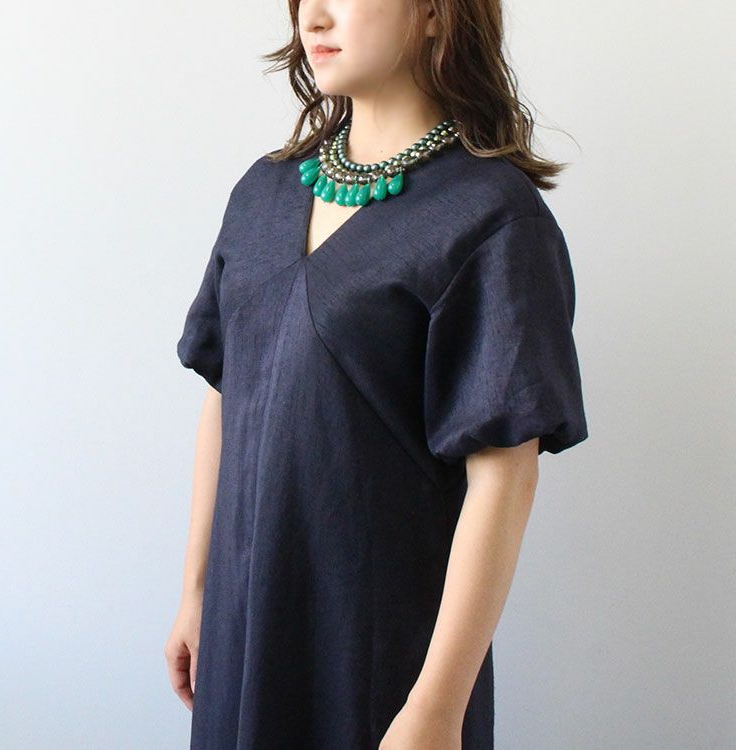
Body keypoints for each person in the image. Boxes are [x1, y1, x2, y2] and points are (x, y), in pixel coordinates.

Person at [165, 0, 589, 747]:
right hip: (239, 630)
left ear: (435, 14)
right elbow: (225, 397)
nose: (315, 16)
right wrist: (196, 593)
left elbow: (505, 475)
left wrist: (437, 706)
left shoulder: (491, 218)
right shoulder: (262, 194)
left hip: (379, 657)